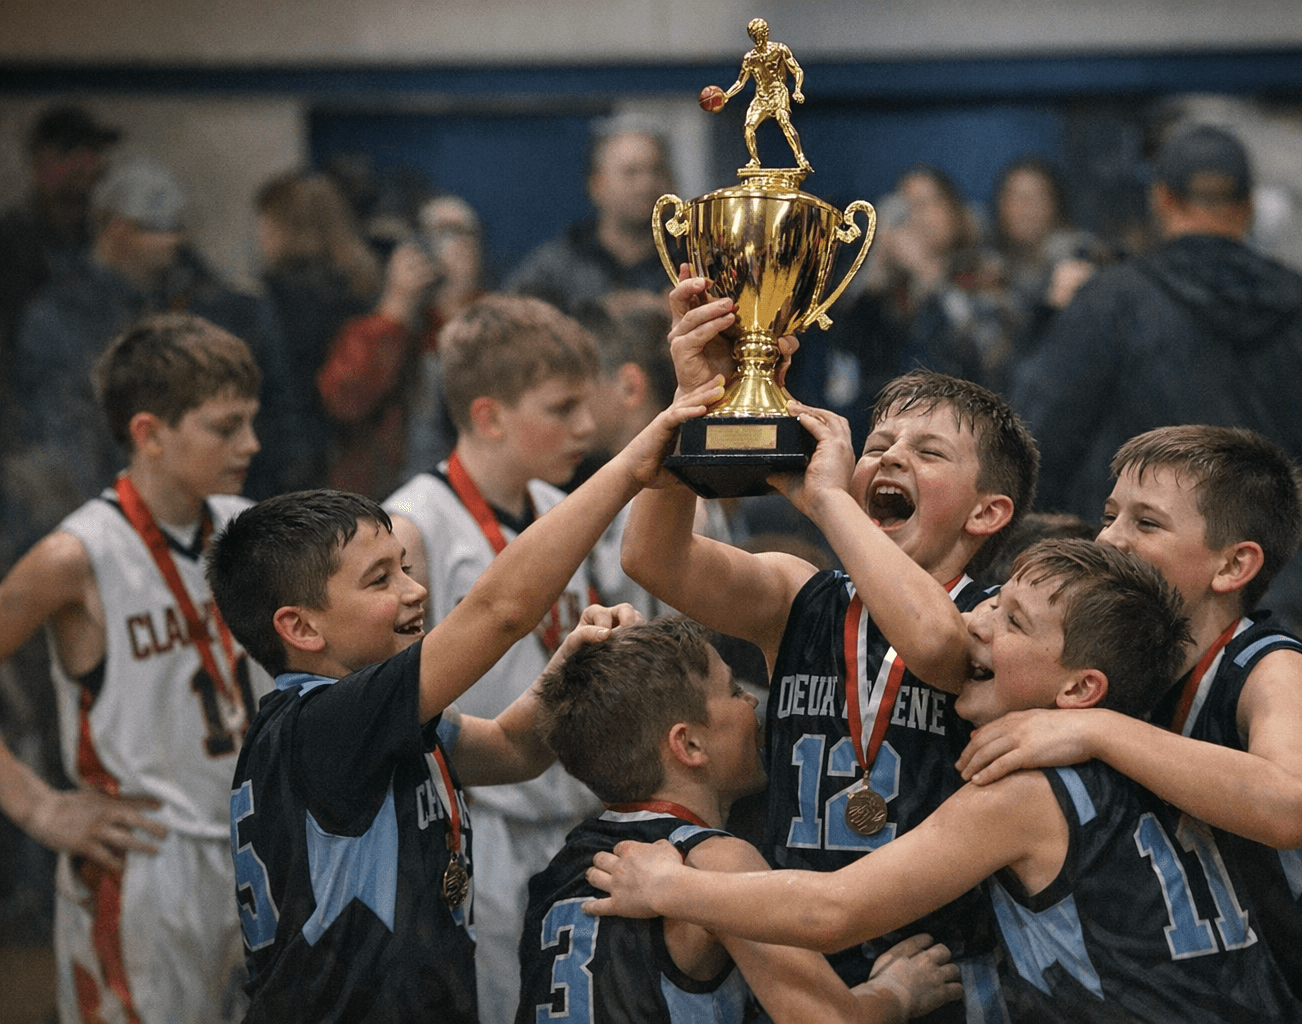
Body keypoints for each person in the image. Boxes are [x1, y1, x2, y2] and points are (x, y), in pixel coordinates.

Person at [589, 539, 1302, 1023]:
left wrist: (670, 887)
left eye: (1012, 620)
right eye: (990, 602)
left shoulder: (1022, 791)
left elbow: (834, 910)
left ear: (1079, 691)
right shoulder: (1152, 748)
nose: (973, 622)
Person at [206, 370, 725, 1022]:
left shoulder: (356, 721)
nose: (413, 590)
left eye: (406, 567)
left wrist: (566, 664)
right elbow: (500, 611)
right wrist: (631, 466)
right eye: (379, 581)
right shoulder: (325, 720)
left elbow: (512, 749)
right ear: (301, 627)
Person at [956, 424, 1302, 1023]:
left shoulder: (1274, 668)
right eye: (1110, 515)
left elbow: (1288, 805)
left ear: (1234, 565)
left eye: (1146, 523)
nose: (1111, 539)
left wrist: (1098, 730)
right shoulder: (1129, 678)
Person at [623, 275, 1037, 1014]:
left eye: (930, 452)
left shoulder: (993, 619)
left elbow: (936, 648)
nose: (893, 458)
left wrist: (830, 500)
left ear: (988, 513)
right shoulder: (796, 593)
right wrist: (694, 409)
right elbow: (652, 559)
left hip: (938, 965)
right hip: (797, 954)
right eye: (878, 444)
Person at [1010, 123, 1302, 635]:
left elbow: (1034, 444)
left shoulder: (1113, 301)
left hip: (1134, 602)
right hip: (1281, 593)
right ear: (1248, 208)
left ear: (1162, 199)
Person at [0, 314, 273, 1024]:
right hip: (148, 859)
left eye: (251, 422)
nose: (252, 444)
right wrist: (38, 805)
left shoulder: (253, 529)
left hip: (259, 842)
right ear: (150, 433)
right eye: (226, 427)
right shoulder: (77, 555)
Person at [519, 616, 962, 1024]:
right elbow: (828, 1019)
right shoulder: (714, 860)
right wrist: (897, 992)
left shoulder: (561, 866)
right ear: (689, 745)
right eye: (732, 690)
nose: (751, 700)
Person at [381, 294, 605, 1021]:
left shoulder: (561, 505)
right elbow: (391, 708)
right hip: (480, 826)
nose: (588, 426)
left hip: (581, 811)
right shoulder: (411, 527)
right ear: (488, 417)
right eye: (562, 407)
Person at [10, 159, 291, 531]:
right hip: (105, 508)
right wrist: (104, 520)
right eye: (163, 229)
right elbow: (61, 433)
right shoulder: (59, 316)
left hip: (179, 504)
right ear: (120, 231)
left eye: (179, 229)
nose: (177, 242)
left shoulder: (194, 300)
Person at [319, 193, 485, 500]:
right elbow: (345, 400)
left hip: (475, 494)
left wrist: (459, 303)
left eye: (465, 234)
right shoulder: (383, 321)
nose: (455, 245)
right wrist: (396, 308)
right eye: (442, 233)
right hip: (387, 497)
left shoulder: (497, 319)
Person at [831, 166, 1010, 426]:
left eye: (926, 203)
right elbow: (839, 353)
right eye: (905, 207)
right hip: (883, 425)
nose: (915, 216)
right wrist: (873, 267)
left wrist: (928, 272)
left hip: (963, 424)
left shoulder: (986, 271)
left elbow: (990, 355)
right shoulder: (887, 289)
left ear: (955, 212)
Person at [253, 169, 381, 493]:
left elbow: (284, 389)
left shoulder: (278, 298)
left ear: (283, 226)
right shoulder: (363, 287)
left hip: (294, 460)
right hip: (357, 455)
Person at [503, 127, 674, 311]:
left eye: (657, 170)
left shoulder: (691, 258)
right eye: (631, 172)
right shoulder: (552, 269)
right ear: (596, 185)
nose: (646, 185)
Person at [0, 106, 120, 362]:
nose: (87, 165)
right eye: (70, 153)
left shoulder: (112, 235)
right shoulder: (12, 240)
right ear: (39, 161)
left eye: (93, 152)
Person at [982, 156, 1104, 359]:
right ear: (1000, 205)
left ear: (1056, 203)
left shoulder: (1083, 254)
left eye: (1038, 196)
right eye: (1016, 197)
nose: (1027, 208)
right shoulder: (982, 269)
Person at [720, 17, 811, 172]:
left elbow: (797, 70)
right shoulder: (750, 58)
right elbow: (740, 82)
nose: (761, 37)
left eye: (763, 33)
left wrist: (797, 89)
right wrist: (726, 95)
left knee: (783, 120)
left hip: (778, 93)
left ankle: (801, 158)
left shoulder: (779, 49)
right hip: (761, 97)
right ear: (753, 36)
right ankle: (754, 161)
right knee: (749, 126)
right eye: (757, 34)